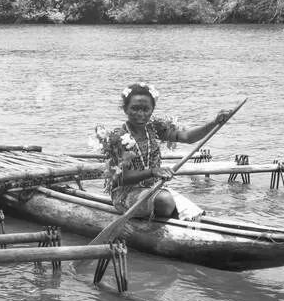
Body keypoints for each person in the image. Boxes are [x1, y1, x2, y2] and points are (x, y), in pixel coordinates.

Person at [94, 82, 236, 220]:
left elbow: (187, 137)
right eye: (135, 109)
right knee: (165, 201)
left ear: (152, 109)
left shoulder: (155, 128)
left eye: (145, 109)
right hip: (125, 194)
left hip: (153, 189)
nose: (140, 114)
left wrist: (214, 122)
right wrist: (152, 172)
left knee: (176, 205)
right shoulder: (118, 138)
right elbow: (122, 178)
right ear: (125, 109)